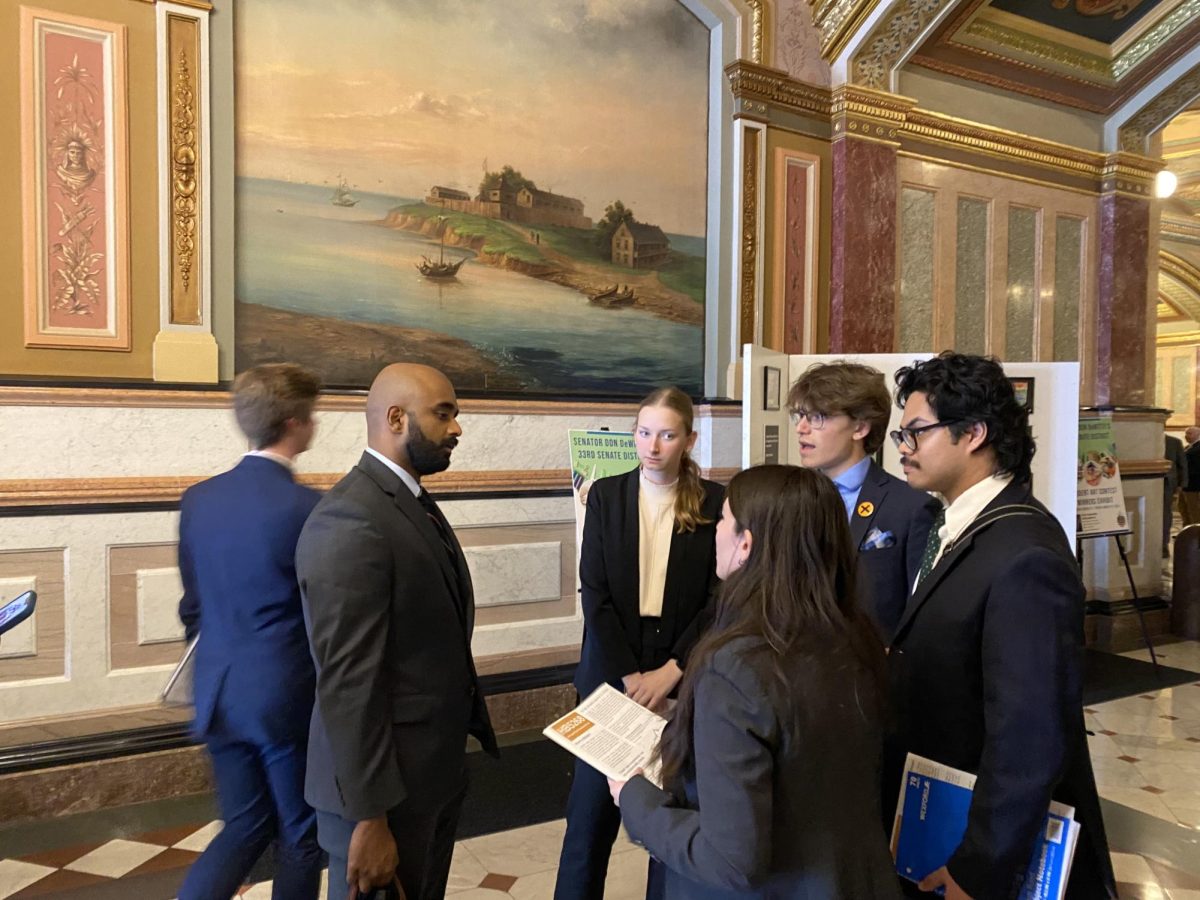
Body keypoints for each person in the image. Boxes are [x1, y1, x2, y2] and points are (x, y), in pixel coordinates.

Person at [609, 465, 901, 899]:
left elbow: (729, 860)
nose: (716, 529)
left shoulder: (735, 668)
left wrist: (634, 798)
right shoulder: (856, 639)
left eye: (724, 518)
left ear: (746, 544)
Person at [885, 352, 1116, 900]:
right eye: (901, 434)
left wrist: (979, 868)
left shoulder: (1023, 554)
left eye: (917, 433)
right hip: (938, 809)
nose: (903, 449)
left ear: (974, 434)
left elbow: (1029, 736)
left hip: (979, 850)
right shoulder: (950, 526)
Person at [296, 363, 498, 900]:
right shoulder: (351, 520)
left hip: (428, 776)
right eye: (443, 413)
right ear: (395, 418)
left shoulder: (407, 502)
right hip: (382, 794)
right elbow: (347, 682)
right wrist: (369, 817)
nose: (456, 428)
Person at [555, 386, 724, 900]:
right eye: (644, 432)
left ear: (689, 439)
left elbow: (719, 598)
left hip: (683, 665)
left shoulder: (716, 502)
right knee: (588, 815)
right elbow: (596, 592)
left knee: (673, 810)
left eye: (667, 435)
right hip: (613, 668)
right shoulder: (606, 494)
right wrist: (631, 674)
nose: (652, 446)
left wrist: (673, 670)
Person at [176, 363, 324, 900]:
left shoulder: (199, 499)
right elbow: (323, 615)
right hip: (283, 695)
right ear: (295, 423)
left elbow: (192, 605)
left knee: (242, 825)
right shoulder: (311, 508)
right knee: (301, 835)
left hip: (216, 688)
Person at [787, 361, 937, 639]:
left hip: (873, 668)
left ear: (859, 427)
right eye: (800, 416)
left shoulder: (911, 507)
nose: (802, 428)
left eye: (818, 416)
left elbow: (922, 615)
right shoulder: (790, 501)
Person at [1166, 433, 1188, 554]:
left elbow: (1182, 464)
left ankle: (1164, 544)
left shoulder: (1174, 442)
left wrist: (1182, 484)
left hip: (1168, 483)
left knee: (1166, 514)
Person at [1181, 426, 1200, 526]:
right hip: (1185, 484)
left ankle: (1195, 533)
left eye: (1189, 433)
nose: (1186, 436)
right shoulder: (1188, 447)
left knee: (1194, 511)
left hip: (1194, 485)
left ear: (1197, 434)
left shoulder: (1198, 448)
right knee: (1183, 509)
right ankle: (1186, 531)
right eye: (1186, 434)